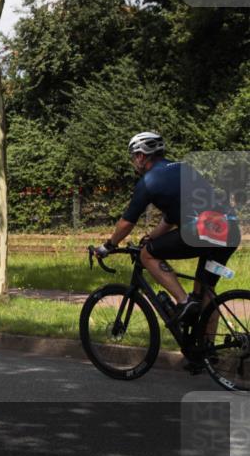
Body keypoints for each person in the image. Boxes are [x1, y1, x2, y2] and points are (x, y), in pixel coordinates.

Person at [95, 132, 241, 370]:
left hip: (204, 230)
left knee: (148, 254)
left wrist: (107, 246)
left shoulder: (148, 181)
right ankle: (205, 353)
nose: (134, 162)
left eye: (134, 157)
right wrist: (151, 237)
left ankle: (183, 302)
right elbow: (172, 218)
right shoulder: (182, 169)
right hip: (229, 231)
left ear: (142, 157)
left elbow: (126, 222)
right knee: (206, 291)